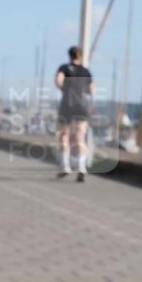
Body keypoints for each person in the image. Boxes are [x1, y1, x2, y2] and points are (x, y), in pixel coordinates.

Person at [55, 46, 94, 182]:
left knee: (64, 136)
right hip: (81, 106)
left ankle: (65, 166)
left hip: (67, 104)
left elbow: (58, 81)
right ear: (81, 56)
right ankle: (82, 167)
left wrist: (64, 89)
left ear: (69, 55)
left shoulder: (64, 68)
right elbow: (91, 90)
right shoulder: (86, 71)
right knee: (80, 138)